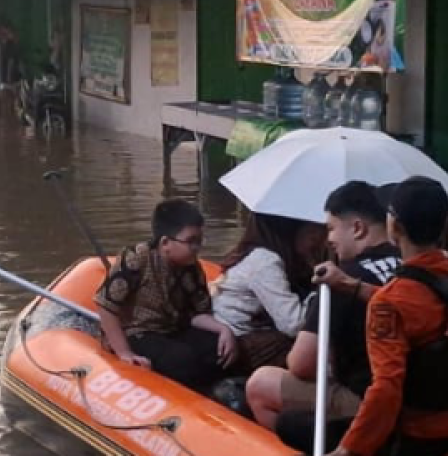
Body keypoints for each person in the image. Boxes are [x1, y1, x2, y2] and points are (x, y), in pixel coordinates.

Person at [306, 178, 448, 456]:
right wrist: (351, 286)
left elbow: (387, 389)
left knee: (290, 425)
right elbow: (425, 306)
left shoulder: (389, 303)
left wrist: (343, 454)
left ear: (395, 227)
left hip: (419, 438)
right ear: (445, 223)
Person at [246, 182, 401, 432]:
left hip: (370, 400)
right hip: (416, 395)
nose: (328, 239)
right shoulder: (412, 265)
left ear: (358, 228)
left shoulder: (341, 282)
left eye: (331, 228)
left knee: (260, 384)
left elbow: (302, 364)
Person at [94, 199, 236, 393]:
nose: (197, 247)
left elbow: (198, 313)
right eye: (191, 241)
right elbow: (106, 305)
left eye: (199, 241)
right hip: (138, 331)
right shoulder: (136, 259)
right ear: (165, 243)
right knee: (181, 359)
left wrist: (223, 330)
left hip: (173, 329)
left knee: (216, 348)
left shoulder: (193, 269)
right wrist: (124, 353)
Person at [213, 213, 325, 373]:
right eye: (312, 233)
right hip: (235, 343)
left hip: (246, 333)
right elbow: (293, 324)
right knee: (311, 346)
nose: (319, 240)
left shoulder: (275, 256)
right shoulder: (265, 261)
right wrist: (322, 288)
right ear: (290, 228)